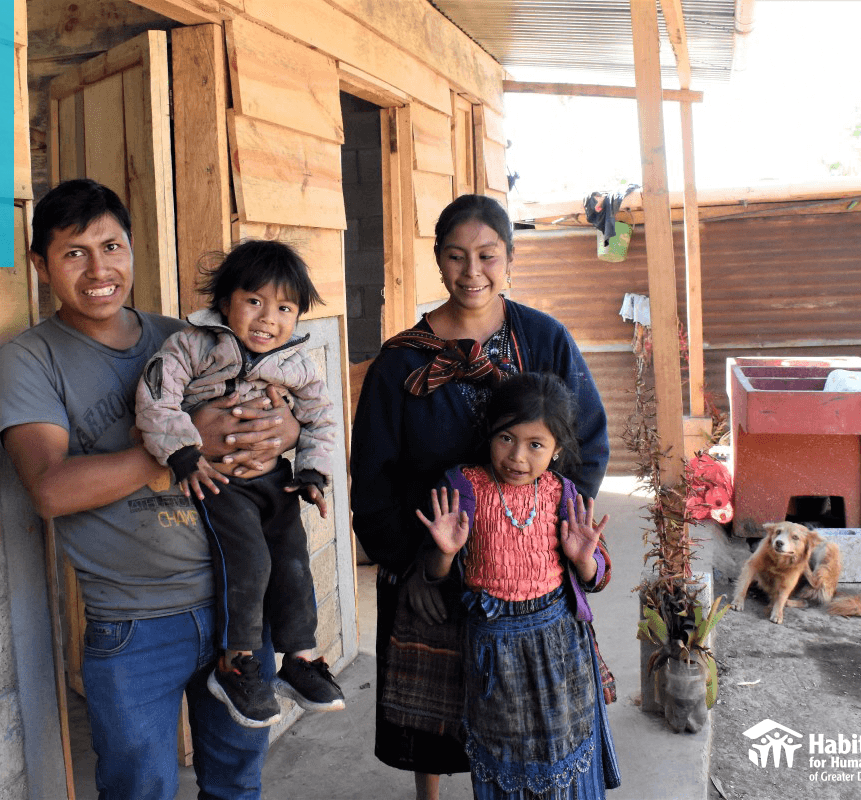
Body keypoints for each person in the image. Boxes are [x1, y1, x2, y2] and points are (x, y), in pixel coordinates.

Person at [0, 178, 301, 800]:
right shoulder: (30, 359)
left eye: (112, 246)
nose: (99, 269)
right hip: (133, 623)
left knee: (239, 781)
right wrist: (179, 451)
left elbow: (273, 408)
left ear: (132, 249)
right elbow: (50, 490)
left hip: (236, 603)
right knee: (141, 790)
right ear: (40, 264)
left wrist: (286, 429)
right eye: (74, 252)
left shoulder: (188, 339)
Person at [349, 194, 609, 799]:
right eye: (456, 256)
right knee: (433, 710)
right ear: (438, 262)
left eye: (488, 255)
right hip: (430, 560)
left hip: (527, 571)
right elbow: (374, 472)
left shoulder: (544, 339)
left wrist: (554, 533)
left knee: (529, 716)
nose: (473, 272)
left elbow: (586, 442)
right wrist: (412, 568)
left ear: (510, 258)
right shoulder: (400, 363)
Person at [135, 239, 345, 729]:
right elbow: (155, 398)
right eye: (254, 301)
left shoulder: (296, 364)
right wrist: (183, 452)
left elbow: (322, 418)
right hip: (216, 479)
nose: (268, 319)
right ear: (225, 300)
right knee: (249, 558)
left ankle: (300, 658)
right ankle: (236, 663)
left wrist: (313, 470)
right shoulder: (191, 345)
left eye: (285, 308)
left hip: (273, 478)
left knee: (293, 559)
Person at [415, 372, 621, 799]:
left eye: (536, 445)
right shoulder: (463, 487)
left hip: (560, 645)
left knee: (563, 747)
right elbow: (435, 573)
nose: (517, 457)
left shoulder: (563, 494)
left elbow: (598, 576)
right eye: (506, 438)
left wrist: (584, 560)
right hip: (494, 651)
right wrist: (445, 553)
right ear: (489, 431)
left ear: (557, 450)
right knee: (505, 752)